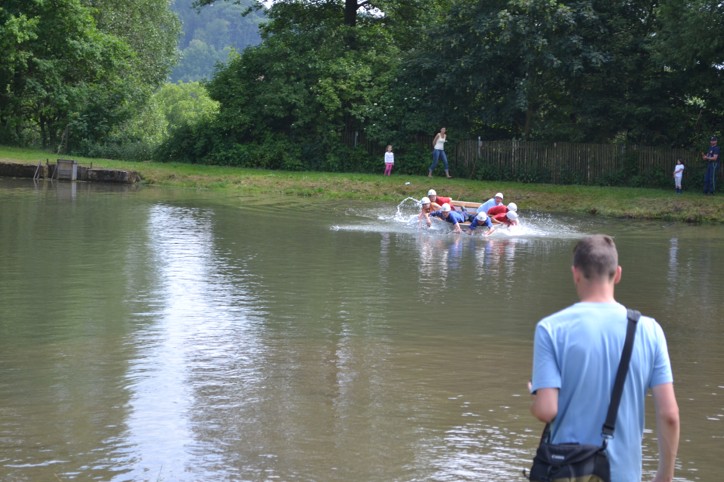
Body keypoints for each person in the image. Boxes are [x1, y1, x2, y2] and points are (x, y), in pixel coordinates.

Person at [529, 235, 680, 482]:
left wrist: (537, 397)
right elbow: (669, 415)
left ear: (575, 273)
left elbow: (547, 410)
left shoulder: (550, 328)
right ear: (617, 274)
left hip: (566, 471)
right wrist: (665, 474)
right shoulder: (650, 330)